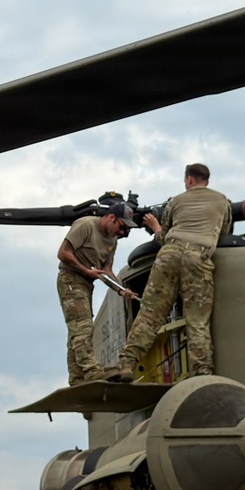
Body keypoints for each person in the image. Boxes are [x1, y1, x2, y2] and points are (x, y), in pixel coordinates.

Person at [108, 164, 232, 382]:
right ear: (206, 180)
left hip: (169, 254)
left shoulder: (176, 201)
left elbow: (163, 236)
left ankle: (127, 364)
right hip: (198, 257)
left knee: (150, 314)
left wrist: (155, 227)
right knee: (197, 320)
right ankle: (202, 373)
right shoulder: (223, 201)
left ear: (189, 180)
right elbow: (223, 232)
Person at [57, 202, 138, 386]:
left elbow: (106, 271)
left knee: (77, 330)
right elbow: (63, 253)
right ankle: (92, 371)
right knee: (83, 326)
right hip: (71, 279)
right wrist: (86, 270)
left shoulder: (113, 240)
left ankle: (77, 378)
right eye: (121, 226)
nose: (122, 232)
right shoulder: (86, 225)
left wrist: (121, 289)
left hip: (87, 284)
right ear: (111, 218)